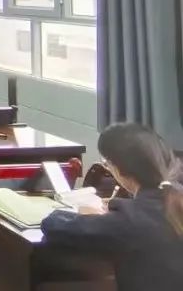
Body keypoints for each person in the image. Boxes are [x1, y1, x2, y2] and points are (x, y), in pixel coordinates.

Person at [40, 123, 183, 291]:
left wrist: (95, 217)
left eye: (106, 164)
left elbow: (53, 225)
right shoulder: (173, 198)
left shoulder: (130, 220)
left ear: (119, 169)